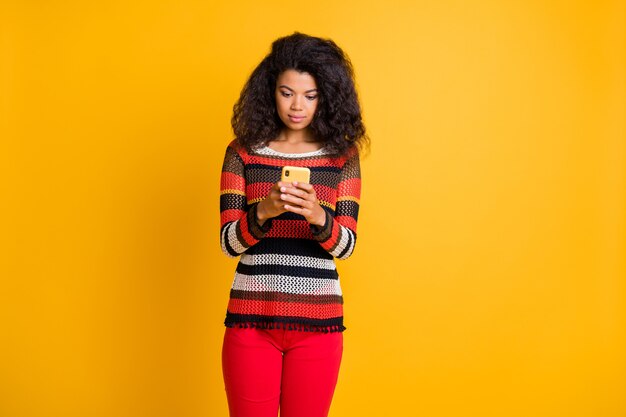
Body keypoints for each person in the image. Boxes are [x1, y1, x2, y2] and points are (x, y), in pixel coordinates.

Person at [219, 31, 369, 417]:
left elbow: (346, 246)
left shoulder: (342, 157)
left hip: (318, 326)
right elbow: (229, 242)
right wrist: (265, 211)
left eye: (310, 95)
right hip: (251, 321)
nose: (297, 106)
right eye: (287, 93)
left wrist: (318, 216)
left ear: (327, 97)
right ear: (271, 92)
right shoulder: (242, 153)